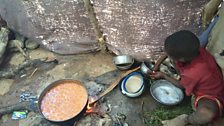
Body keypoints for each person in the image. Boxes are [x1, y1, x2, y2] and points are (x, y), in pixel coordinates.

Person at [150, 17, 224, 126]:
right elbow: (168, 52)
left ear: (182, 60)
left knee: (207, 113)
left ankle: (186, 119)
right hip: (208, 80)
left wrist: (164, 75)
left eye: (171, 55)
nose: (167, 55)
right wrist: (156, 65)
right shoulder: (197, 49)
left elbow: (181, 85)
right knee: (174, 60)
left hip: (211, 96)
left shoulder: (193, 73)